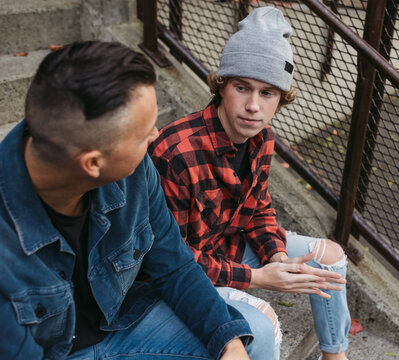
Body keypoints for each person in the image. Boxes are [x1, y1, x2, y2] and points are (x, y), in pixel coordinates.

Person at [0, 41, 254, 360]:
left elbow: (174, 264)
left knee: (245, 338)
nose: (157, 135)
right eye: (144, 132)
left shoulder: (133, 169)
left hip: (121, 323)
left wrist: (228, 341)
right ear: (93, 163)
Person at [149, 7, 351, 360]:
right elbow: (170, 260)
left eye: (268, 93)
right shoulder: (175, 153)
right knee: (263, 323)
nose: (253, 106)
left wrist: (278, 256)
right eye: (242, 88)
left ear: (281, 99)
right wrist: (259, 279)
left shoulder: (262, 138)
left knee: (331, 258)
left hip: (225, 245)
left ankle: (334, 356)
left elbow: (258, 210)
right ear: (222, 86)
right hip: (186, 273)